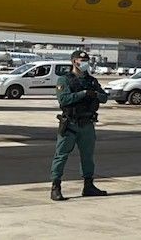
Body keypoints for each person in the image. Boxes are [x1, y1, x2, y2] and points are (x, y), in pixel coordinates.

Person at [50, 50, 109, 201]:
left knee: (88, 157)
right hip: (70, 123)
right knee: (61, 155)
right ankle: (56, 187)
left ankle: (88, 186)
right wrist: (83, 94)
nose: (84, 62)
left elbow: (104, 97)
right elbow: (63, 100)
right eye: (80, 60)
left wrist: (94, 94)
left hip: (87, 124)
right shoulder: (65, 80)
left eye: (86, 60)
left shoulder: (91, 81)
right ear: (73, 61)